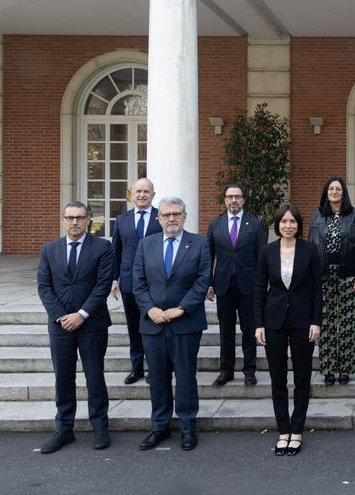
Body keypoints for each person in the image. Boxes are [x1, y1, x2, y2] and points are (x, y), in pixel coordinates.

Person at [132, 197, 210, 452]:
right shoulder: (146, 245)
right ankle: (160, 427)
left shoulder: (199, 243)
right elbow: (138, 282)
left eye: (176, 214)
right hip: (153, 324)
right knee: (157, 378)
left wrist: (181, 309)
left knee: (186, 378)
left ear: (185, 217)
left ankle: (188, 428)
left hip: (185, 323)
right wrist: (150, 309)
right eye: (166, 215)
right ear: (159, 218)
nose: (171, 219)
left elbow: (202, 280)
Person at [36, 201, 114, 454]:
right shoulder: (49, 249)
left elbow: (102, 286)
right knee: (63, 378)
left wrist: (81, 314)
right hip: (60, 327)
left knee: (94, 376)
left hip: (92, 323)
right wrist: (61, 316)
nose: (74, 222)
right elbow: (44, 287)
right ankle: (64, 430)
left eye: (80, 217)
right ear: (62, 219)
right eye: (70, 217)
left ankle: (100, 427)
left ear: (89, 219)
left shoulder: (103, 247)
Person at [254, 204, 322, 456]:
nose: (288, 225)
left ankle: (297, 429)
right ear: (277, 224)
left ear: (299, 225)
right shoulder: (266, 251)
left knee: (302, 378)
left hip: (304, 322)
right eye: (283, 221)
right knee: (277, 379)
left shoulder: (310, 250)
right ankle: (283, 430)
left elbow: (317, 288)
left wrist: (317, 321)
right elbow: (260, 288)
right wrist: (258, 324)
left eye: (292, 221)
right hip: (274, 322)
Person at [207, 184, 266, 387]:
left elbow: (262, 257)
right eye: (229, 197)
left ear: (243, 200)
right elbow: (209, 256)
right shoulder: (215, 224)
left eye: (237, 197)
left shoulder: (256, 224)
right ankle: (226, 371)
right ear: (224, 200)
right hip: (223, 285)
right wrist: (208, 283)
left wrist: (262, 285)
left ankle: (249, 371)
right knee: (226, 331)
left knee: (250, 330)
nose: (233, 200)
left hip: (248, 286)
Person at [308, 176, 355, 385]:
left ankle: (346, 369)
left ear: (343, 193)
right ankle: (329, 369)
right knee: (327, 323)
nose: (334, 192)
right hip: (323, 277)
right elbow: (310, 250)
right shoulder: (317, 217)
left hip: (349, 276)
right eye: (330, 188)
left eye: (338, 189)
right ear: (326, 192)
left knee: (348, 324)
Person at [110, 178, 162, 385]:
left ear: (153, 195)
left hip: (156, 282)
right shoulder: (122, 219)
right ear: (131, 194)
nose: (142, 195)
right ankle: (137, 368)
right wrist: (114, 278)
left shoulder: (161, 217)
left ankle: (155, 368)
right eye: (138, 191)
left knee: (153, 326)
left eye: (146, 192)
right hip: (130, 282)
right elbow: (116, 251)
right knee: (134, 327)